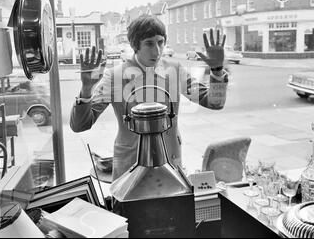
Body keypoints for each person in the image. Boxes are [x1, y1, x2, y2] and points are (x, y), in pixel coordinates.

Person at [70, 15, 228, 180]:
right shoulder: (115, 76)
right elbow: (80, 125)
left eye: (160, 42)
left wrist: (216, 70)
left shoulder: (174, 70)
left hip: (170, 164)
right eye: (149, 43)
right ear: (135, 45)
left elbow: (214, 103)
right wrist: (87, 88)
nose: (157, 51)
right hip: (130, 168)